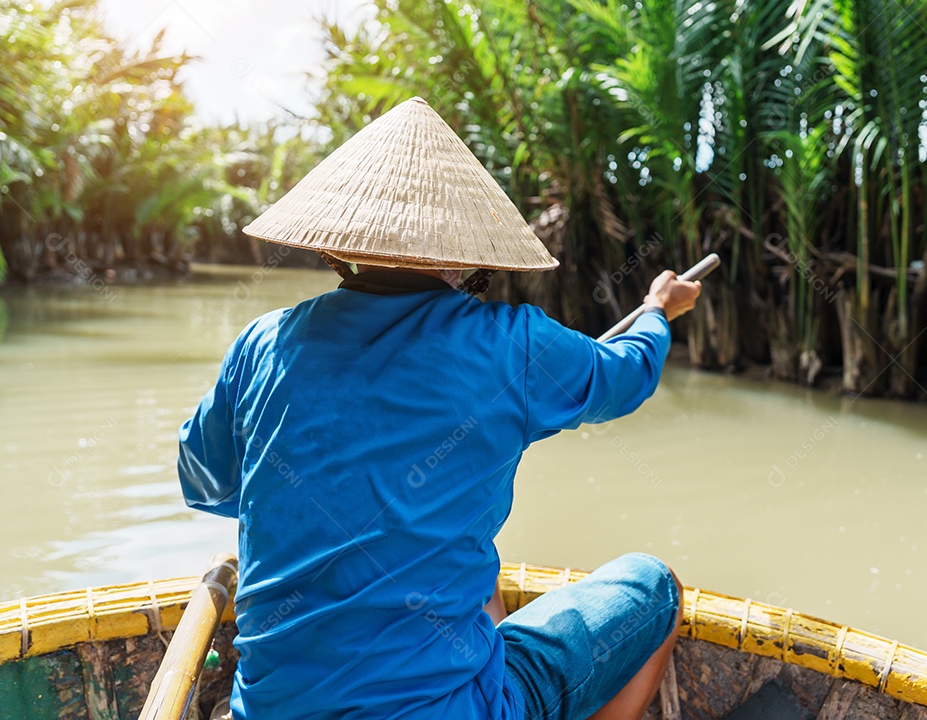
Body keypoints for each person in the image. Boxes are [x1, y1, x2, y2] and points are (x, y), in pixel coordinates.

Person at [178, 97, 701, 720]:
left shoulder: (264, 344)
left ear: (339, 247)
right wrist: (655, 311)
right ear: (467, 257)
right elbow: (626, 374)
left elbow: (202, 480)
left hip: (269, 710)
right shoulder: (512, 345)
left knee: (483, 598)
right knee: (654, 584)